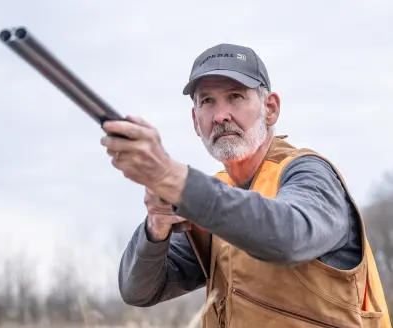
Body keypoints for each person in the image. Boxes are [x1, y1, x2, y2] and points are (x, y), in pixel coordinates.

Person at [100, 44, 391, 327]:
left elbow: (287, 236)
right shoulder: (213, 197)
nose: (220, 115)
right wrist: (156, 227)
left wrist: (174, 178)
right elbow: (138, 290)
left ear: (271, 108)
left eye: (235, 96)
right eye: (207, 101)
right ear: (195, 120)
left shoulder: (309, 173)